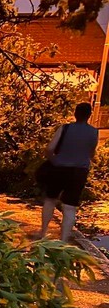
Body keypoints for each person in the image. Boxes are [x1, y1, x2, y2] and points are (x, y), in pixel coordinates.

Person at [39, 102, 99, 242]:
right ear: (89, 115)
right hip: (79, 172)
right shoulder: (94, 132)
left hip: (59, 169)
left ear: (75, 114)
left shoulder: (65, 128)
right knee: (70, 207)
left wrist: (54, 160)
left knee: (50, 199)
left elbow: (49, 149)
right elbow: (91, 154)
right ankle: (63, 240)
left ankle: (43, 233)